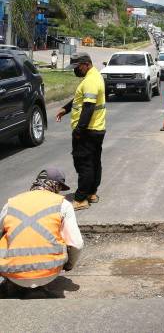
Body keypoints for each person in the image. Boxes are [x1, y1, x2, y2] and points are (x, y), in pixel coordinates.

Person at [0, 168, 84, 292]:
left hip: (11, 271)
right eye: (60, 188)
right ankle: (39, 282)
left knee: (5, 234)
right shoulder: (63, 204)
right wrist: (69, 264)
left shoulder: (11, 203)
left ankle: (12, 280)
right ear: (56, 186)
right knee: (61, 235)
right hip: (49, 272)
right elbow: (77, 243)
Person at [56, 52, 106, 211]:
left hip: (87, 130)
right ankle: (91, 193)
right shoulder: (94, 76)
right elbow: (82, 100)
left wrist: (79, 130)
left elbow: (88, 107)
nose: (75, 70)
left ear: (85, 64)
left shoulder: (90, 80)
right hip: (96, 129)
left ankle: (80, 198)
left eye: (77, 67)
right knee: (94, 162)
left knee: (84, 164)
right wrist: (66, 108)